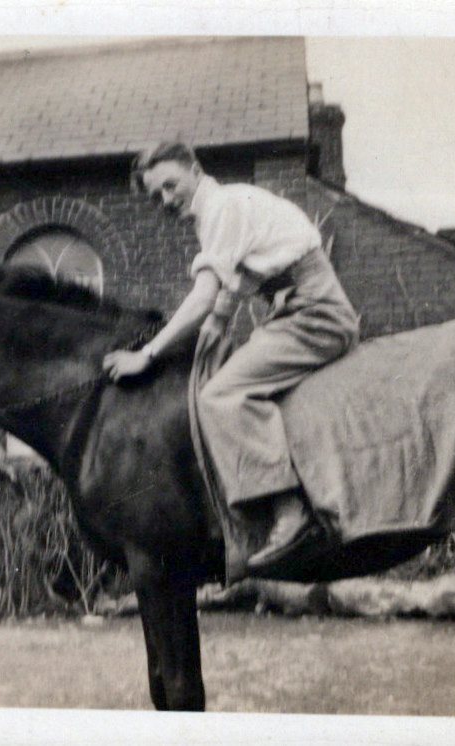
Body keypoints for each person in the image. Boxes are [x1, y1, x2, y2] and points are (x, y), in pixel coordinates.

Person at [103, 142, 359, 571]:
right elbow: (230, 292)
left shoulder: (222, 207)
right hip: (294, 312)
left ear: (196, 170)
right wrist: (209, 338)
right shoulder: (224, 209)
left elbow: (206, 295)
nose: (166, 200)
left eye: (171, 185)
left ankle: (289, 511)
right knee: (218, 376)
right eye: (156, 196)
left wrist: (147, 355)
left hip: (316, 316)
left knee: (222, 395)